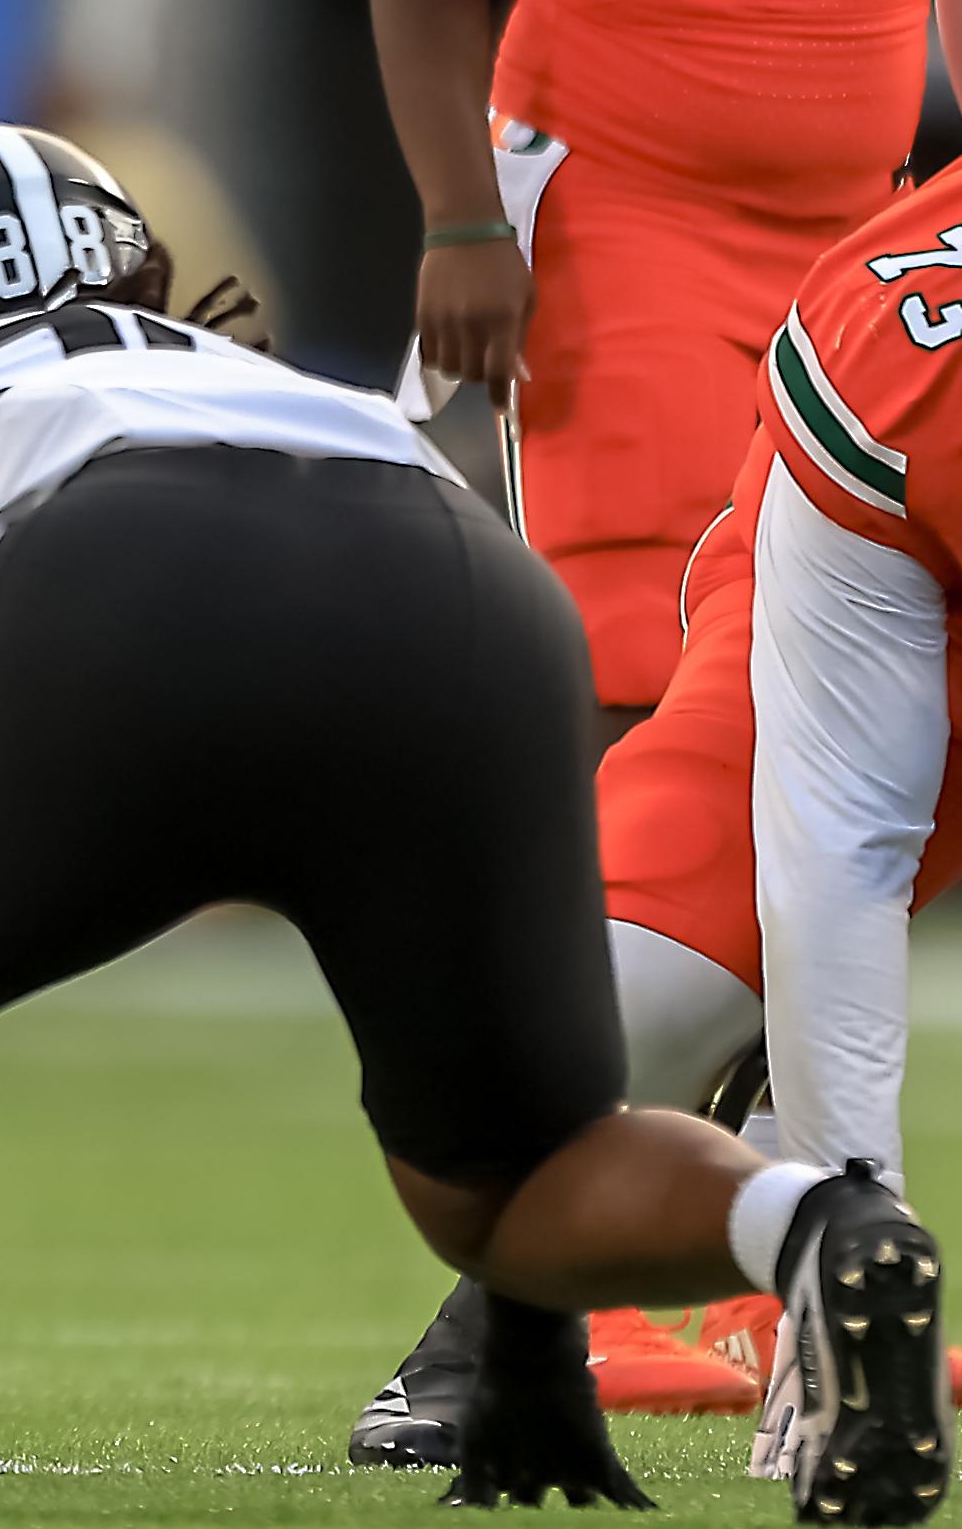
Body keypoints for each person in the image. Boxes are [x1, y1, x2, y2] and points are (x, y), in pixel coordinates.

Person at [0, 126, 956, 1525]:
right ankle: (814, 1228)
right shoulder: (283, 385)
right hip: (460, 584)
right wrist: (522, 1359)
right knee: (512, 1167)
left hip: (112, 576)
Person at [363, 0, 962, 1449]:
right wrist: (460, 215)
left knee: (824, 755)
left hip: (849, 241)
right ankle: (499, 1319)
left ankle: (773, 1253)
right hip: (618, 222)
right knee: (660, 726)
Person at [362, 160, 962, 1477]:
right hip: (866, 542)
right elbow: (833, 846)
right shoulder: (887, 351)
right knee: (539, 1056)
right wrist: (840, 1237)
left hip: (861, 359)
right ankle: (539, 1312)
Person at [371, 0, 962, 736]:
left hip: (863, 243)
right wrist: (460, 216)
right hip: (631, 214)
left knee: (844, 700)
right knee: (650, 677)